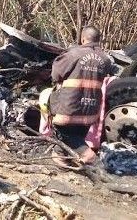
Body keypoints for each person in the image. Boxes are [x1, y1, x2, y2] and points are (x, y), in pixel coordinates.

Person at [48, 25, 114, 164]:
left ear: (83, 39)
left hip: (70, 107)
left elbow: (56, 75)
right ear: (98, 40)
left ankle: (90, 157)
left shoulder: (73, 54)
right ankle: (62, 158)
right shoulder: (105, 59)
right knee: (76, 135)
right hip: (91, 110)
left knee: (64, 133)